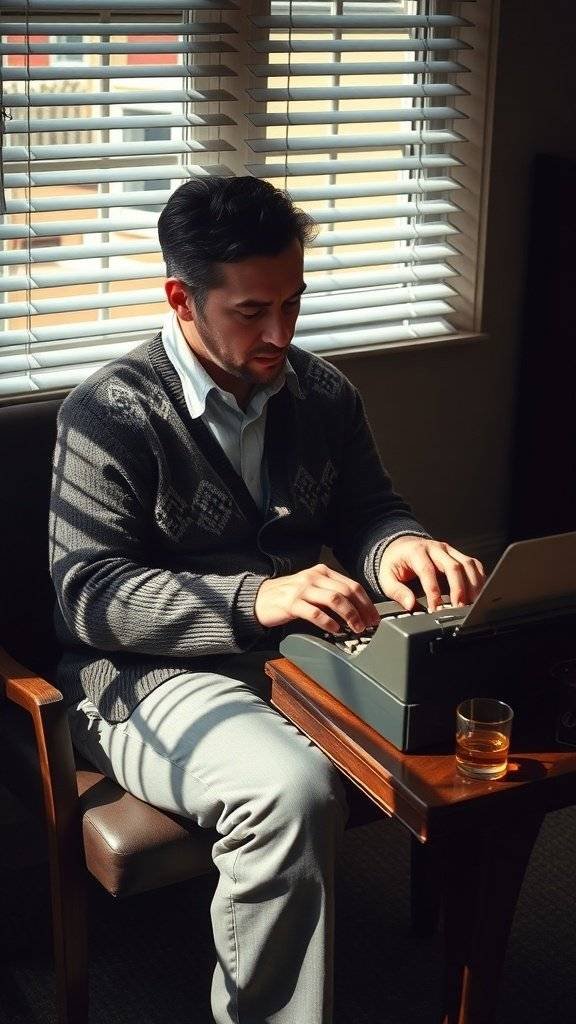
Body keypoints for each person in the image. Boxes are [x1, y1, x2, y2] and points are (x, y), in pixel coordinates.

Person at [49, 176, 485, 1024]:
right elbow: (89, 599)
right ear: (182, 297)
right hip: (137, 677)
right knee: (293, 787)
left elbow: (368, 510)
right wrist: (262, 597)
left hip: (297, 653)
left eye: (292, 303)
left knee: (462, 716)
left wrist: (402, 546)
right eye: (252, 311)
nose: (280, 333)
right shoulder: (107, 414)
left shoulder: (322, 393)